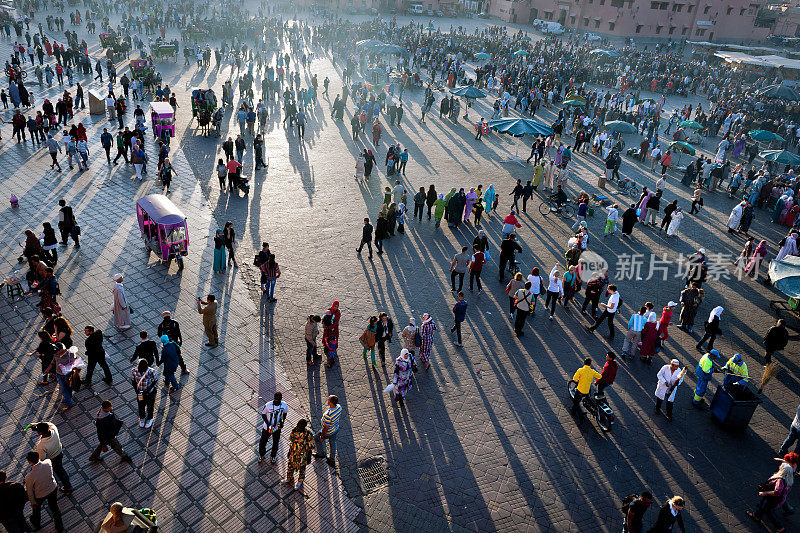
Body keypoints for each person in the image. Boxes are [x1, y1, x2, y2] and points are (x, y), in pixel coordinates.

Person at [24, 451, 64, 533]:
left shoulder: (29, 477)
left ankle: (36, 523)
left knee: (36, 510)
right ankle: (59, 526)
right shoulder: (48, 462)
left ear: (29, 462)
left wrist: (32, 503)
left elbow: (30, 492)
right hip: (52, 488)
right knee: (54, 507)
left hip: (40, 495)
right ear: (38, 457)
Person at [34, 422, 72, 493]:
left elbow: (42, 458)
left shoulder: (41, 445)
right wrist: (37, 424)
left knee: (60, 472)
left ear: (39, 433)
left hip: (53, 459)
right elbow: (50, 424)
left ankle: (68, 487)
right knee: (60, 468)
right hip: (59, 453)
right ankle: (67, 485)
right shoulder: (54, 430)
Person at [281, 419, 315, 490]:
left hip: (303, 456)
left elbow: (311, 447)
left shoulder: (308, 434)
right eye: (298, 425)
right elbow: (291, 441)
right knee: (290, 466)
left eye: (300, 426)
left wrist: (309, 457)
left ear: (304, 427)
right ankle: (289, 478)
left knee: (302, 469)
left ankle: (300, 481)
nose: (298, 427)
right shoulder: (294, 430)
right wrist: (289, 452)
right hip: (293, 453)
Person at [259, 392, 288, 465]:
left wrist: (282, 422)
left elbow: (285, 413)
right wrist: (268, 424)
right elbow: (263, 414)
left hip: (277, 427)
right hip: (267, 428)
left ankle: (273, 456)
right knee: (263, 441)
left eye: (279, 400)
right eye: (276, 400)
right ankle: (262, 454)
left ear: (281, 399)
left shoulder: (284, 405)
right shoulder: (268, 405)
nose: (277, 402)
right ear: (274, 399)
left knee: (276, 442)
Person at [571, 358, 602, 425]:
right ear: (590, 364)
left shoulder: (580, 370)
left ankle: (581, 416)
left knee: (576, 402)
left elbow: (575, 379)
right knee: (588, 399)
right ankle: (594, 408)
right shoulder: (592, 371)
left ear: (584, 363)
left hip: (580, 391)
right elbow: (600, 376)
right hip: (587, 391)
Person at [313, 395, 342, 467]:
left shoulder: (328, 415)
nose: (327, 400)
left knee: (316, 438)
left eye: (328, 399)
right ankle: (332, 460)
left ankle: (321, 454)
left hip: (328, 432)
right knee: (333, 443)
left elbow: (325, 428)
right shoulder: (339, 407)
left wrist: (322, 436)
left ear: (331, 403)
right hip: (335, 429)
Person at [131, 357, 158, 427]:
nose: (144, 369)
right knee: (141, 405)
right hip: (140, 393)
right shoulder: (134, 371)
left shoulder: (150, 371)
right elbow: (133, 381)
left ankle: (150, 418)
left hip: (150, 393)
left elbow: (155, 380)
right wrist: (136, 390)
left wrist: (149, 388)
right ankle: (142, 418)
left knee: (150, 406)